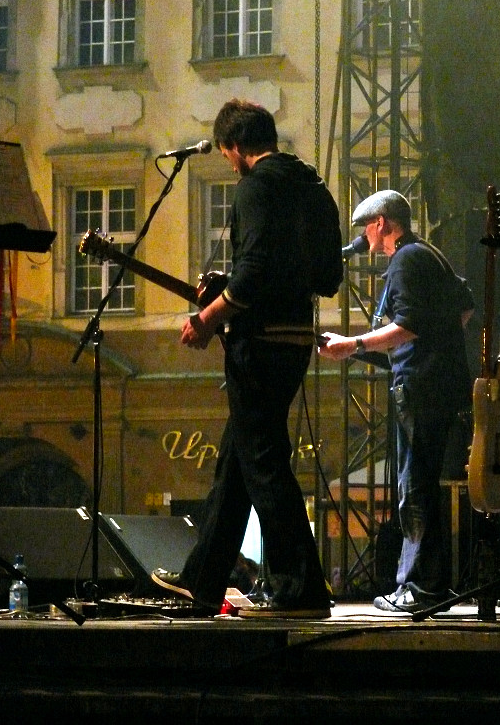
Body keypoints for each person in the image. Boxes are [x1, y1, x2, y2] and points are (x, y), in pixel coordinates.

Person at [152, 98, 343, 619]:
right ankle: (204, 579)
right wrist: (239, 285)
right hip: (294, 341)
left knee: (262, 466)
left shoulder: (258, 185)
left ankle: (299, 589)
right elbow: (326, 276)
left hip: (257, 345)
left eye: (226, 154)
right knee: (237, 463)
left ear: (234, 146)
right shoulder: (314, 187)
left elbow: (257, 266)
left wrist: (209, 315)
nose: (229, 163)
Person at [318, 189, 474, 614]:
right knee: (419, 483)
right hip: (437, 385)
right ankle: (429, 585)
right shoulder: (429, 254)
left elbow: (406, 325)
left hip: (421, 389)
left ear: (382, 223)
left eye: (365, 228)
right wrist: (435, 346)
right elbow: (464, 305)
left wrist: (353, 344)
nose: (363, 237)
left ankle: (419, 589)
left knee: (414, 487)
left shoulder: (405, 260)